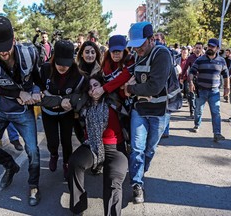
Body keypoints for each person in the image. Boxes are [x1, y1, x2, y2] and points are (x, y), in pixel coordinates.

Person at [0, 15, 42, 206]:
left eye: (7, 47)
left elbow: (39, 78)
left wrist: (38, 91)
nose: (3, 53)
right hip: (0, 109)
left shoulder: (30, 53)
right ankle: (10, 167)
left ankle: (33, 186)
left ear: (14, 40)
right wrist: (18, 93)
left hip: (23, 112)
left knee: (32, 150)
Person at [124, 22, 172, 204]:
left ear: (152, 39)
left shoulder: (162, 54)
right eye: (134, 45)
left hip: (159, 111)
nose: (137, 49)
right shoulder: (137, 55)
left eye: (141, 44)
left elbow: (154, 86)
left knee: (149, 149)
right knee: (137, 148)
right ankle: (137, 184)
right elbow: (129, 74)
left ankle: (141, 170)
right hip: (140, 110)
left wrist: (130, 88)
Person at [68, 74, 128, 216]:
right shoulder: (84, 105)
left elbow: (126, 77)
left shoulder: (114, 100)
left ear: (103, 86)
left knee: (113, 181)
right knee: (75, 163)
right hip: (92, 146)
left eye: (96, 85)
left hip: (115, 149)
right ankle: (78, 207)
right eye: (89, 88)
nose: (93, 90)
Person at [39, 40, 85, 180]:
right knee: (52, 140)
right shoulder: (45, 69)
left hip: (66, 113)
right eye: (59, 63)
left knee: (66, 141)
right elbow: (41, 90)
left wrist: (68, 100)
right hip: (48, 112)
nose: (62, 67)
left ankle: (66, 162)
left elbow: (78, 95)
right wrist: (58, 99)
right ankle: (53, 154)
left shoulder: (78, 74)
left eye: (66, 63)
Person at [189, 38, 230, 142]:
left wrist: (227, 88)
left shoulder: (221, 61)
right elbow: (192, 71)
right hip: (201, 90)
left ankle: (217, 133)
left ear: (217, 48)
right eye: (209, 46)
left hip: (214, 91)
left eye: (212, 46)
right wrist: (190, 82)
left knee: (216, 112)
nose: (210, 48)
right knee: (198, 110)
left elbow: (226, 76)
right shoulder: (200, 59)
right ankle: (197, 124)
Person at [74, 40, 102, 143]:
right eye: (87, 52)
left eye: (93, 52)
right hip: (79, 113)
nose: (90, 55)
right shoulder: (75, 71)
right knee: (83, 140)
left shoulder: (101, 71)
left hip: (97, 111)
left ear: (96, 54)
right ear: (81, 54)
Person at [181, 42, 204, 119]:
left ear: (202, 49)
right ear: (194, 48)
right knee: (192, 96)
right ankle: (192, 111)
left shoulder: (204, 58)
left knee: (199, 96)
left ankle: (198, 111)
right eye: (196, 48)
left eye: (199, 48)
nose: (198, 49)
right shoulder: (190, 58)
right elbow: (185, 68)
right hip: (191, 79)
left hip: (201, 80)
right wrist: (181, 77)